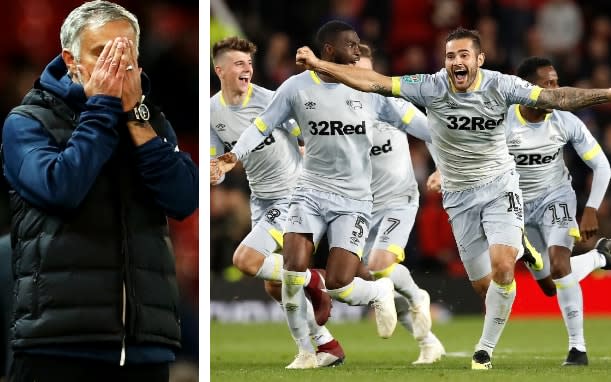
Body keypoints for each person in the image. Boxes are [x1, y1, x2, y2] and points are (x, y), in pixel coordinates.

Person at [295, 27, 611, 370]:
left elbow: (557, 99)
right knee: (485, 288)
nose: (456, 62)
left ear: (479, 59)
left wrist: (607, 92)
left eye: (463, 55)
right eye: (450, 56)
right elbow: (376, 82)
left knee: (505, 267)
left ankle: (484, 351)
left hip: (499, 187)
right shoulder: (432, 85)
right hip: (460, 199)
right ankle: (530, 255)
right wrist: (318, 65)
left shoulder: (501, 85)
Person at [1, 1, 198, 381]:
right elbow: (61, 189)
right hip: (59, 344)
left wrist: (135, 118)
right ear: (70, 60)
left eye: (124, 53)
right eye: (101, 53)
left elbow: (183, 199)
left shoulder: (149, 121)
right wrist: (103, 109)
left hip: (145, 348)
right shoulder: (27, 122)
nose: (115, 65)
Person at [216, 20, 431, 369]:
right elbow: (262, 125)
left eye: (360, 43)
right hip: (309, 193)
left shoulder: (369, 90)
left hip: (355, 200)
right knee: (291, 269)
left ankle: (378, 292)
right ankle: (306, 351)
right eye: (351, 43)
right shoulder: (296, 88)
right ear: (329, 49)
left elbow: (420, 126)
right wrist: (232, 157)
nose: (358, 48)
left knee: (339, 284)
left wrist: (452, 150)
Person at [209, 36, 345, 367]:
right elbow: (220, 160)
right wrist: (216, 174)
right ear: (220, 70)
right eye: (239, 63)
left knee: (245, 260)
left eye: (250, 64)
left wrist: (309, 150)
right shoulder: (211, 111)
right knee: (274, 285)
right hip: (262, 200)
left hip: (295, 195)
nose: (247, 69)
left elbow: (308, 134)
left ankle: (314, 280)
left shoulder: (272, 101)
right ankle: (325, 345)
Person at [507, 56, 611, 366]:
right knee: (549, 286)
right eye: (547, 84)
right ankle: (601, 257)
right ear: (528, 88)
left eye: (556, 82)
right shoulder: (504, 119)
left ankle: (577, 350)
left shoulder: (565, 120)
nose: (556, 89)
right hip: (516, 206)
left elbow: (601, 165)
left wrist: (591, 208)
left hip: (556, 198)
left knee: (559, 263)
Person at [357, 44, 445, 365]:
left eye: (367, 72)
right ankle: (427, 341)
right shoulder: (337, 111)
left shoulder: (392, 105)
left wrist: (440, 169)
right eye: (355, 72)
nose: (362, 79)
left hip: (399, 199)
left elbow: (433, 133)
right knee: (376, 280)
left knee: (380, 265)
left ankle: (419, 296)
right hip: (360, 206)